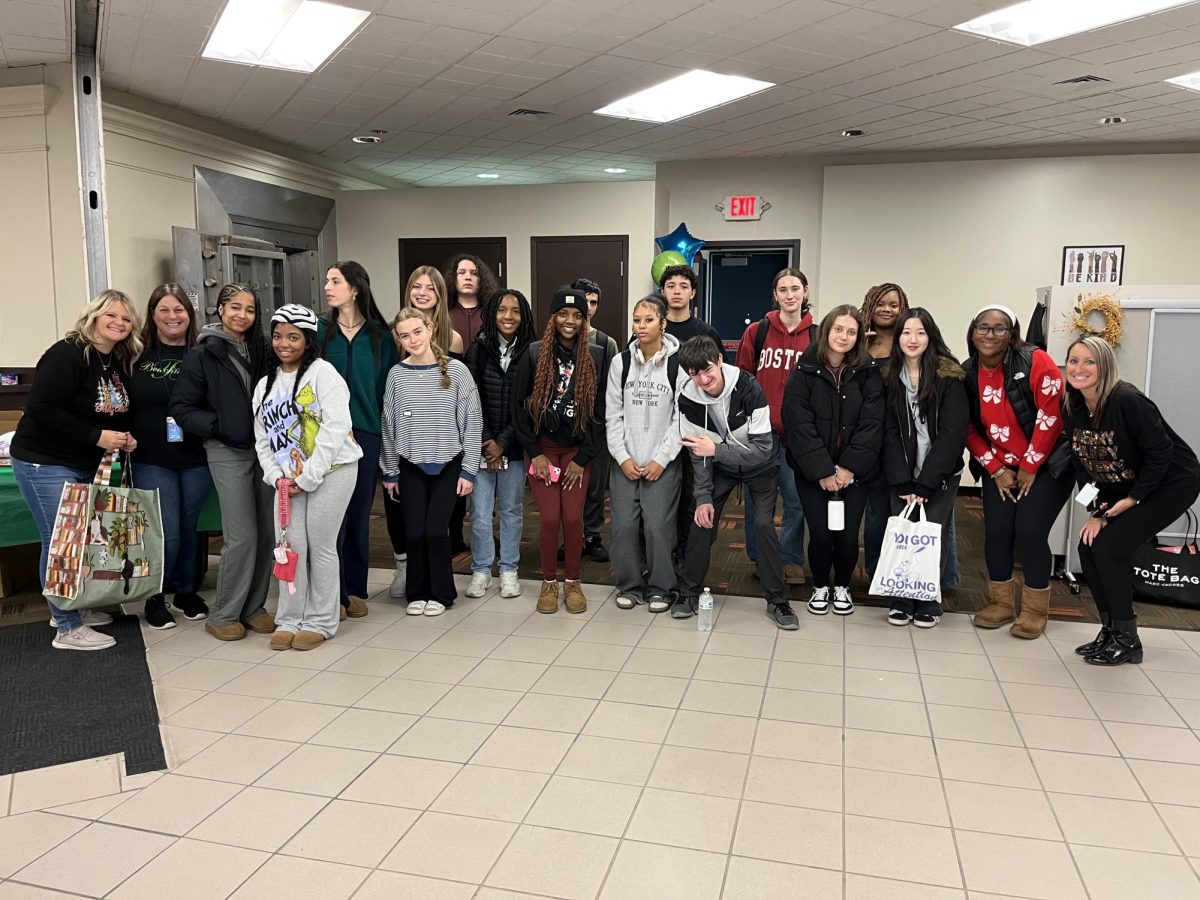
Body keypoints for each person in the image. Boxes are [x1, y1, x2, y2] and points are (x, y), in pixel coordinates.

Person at [11, 290, 141, 650]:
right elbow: (42, 408)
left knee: (78, 541)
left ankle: (70, 608)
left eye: (126, 319)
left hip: (82, 462)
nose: (118, 322)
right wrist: (96, 436)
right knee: (60, 543)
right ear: (94, 316)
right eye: (110, 315)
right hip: (45, 461)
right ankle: (67, 627)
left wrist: (123, 437)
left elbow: (111, 410)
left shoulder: (113, 359)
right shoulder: (67, 353)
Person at [1064, 336, 1200, 665]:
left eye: (1089, 362)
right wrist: (1095, 512)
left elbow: (1161, 452)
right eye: (1073, 361)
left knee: (1111, 547)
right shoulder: (1073, 404)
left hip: (1171, 484)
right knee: (1087, 545)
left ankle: (1128, 639)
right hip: (1122, 488)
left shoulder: (1126, 400)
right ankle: (1110, 629)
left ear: (1105, 365)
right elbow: (1082, 463)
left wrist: (1135, 499)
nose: (1079, 369)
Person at [171, 283, 276, 642]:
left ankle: (254, 607)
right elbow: (181, 409)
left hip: (266, 450)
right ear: (219, 310)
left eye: (249, 309)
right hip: (226, 449)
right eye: (234, 307)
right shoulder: (204, 353)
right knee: (241, 534)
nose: (242, 315)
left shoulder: (263, 348)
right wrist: (219, 427)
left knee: (266, 532)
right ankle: (225, 613)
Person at [253, 305, 362, 650]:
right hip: (287, 482)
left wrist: (309, 477)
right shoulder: (264, 385)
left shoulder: (324, 374)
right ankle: (289, 618)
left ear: (308, 341)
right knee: (289, 548)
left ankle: (321, 621)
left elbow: (335, 428)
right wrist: (274, 476)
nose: (284, 343)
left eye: (293, 337)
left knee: (320, 545)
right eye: (278, 336)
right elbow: (262, 436)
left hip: (333, 471)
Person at [964, 305, 1072, 640]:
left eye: (999, 328)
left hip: (1048, 463)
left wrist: (1029, 466)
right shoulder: (967, 372)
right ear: (972, 332)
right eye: (983, 327)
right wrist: (995, 469)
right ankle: (1000, 604)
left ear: (1013, 333)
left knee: (1028, 532)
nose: (990, 334)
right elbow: (966, 427)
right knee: (997, 532)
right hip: (1000, 466)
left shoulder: (1034, 360)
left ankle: (1035, 610)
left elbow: (1051, 415)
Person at [676, 335, 795, 628]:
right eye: (694, 374)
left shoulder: (749, 388)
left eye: (707, 371)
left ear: (719, 360)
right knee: (701, 519)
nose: (703, 380)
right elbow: (698, 454)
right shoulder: (688, 398)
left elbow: (763, 450)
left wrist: (716, 449)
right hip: (721, 468)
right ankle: (689, 591)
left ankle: (778, 600)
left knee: (763, 525)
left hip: (761, 466)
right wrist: (703, 497)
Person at [782, 305, 883, 617]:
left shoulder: (869, 372)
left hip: (856, 473)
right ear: (826, 331)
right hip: (813, 473)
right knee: (822, 534)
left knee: (848, 535)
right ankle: (820, 587)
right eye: (839, 329)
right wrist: (824, 471)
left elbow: (872, 423)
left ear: (859, 337)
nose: (844, 336)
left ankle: (842, 586)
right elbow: (798, 424)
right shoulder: (804, 370)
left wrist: (848, 468)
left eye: (851, 331)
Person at [380, 307, 482, 617]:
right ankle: (418, 592)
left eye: (417, 332)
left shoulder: (456, 371)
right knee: (414, 532)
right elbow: (388, 424)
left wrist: (469, 469)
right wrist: (390, 471)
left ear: (429, 329)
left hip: (448, 464)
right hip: (409, 465)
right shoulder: (397, 374)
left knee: (437, 531)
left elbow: (473, 422)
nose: (412, 339)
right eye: (404, 335)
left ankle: (442, 593)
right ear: (399, 339)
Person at [513, 286, 608, 615]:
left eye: (577, 316)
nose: (570, 321)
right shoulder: (534, 353)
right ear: (553, 317)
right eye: (563, 314)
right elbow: (517, 409)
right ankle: (549, 582)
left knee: (572, 518)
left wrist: (584, 459)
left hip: (575, 454)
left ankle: (573, 581)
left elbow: (600, 414)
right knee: (551, 518)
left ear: (585, 320)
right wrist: (534, 452)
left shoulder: (596, 356)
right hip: (542, 451)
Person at [128, 283, 211, 629]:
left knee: (189, 526)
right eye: (164, 309)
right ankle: (154, 596)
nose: (172, 316)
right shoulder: (132, 356)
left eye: (179, 310)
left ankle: (186, 591)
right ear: (152, 315)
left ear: (189, 316)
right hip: (150, 456)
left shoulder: (204, 354)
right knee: (165, 530)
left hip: (196, 456)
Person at [317, 261, 397, 620]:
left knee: (357, 514)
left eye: (335, 281)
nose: (328, 287)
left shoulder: (381, 336)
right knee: (327, 514)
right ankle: (327, 590)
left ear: (355, 289)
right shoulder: (320, 332)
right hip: (323, 434)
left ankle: (353, 590)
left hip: (365, 433)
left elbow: (386, 393)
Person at [880, 308, 968, 627]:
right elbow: (887, 431)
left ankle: (928, 600)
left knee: (932, 535)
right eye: (906, 332)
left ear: (930, 336)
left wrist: (926, 483)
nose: (912, 339)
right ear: (897, 337)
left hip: (940, 473)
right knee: (904, 535)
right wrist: (903, 482)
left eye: (919, 332)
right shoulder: (887, 374)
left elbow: (953, 434)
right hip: (901, 473)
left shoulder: (950, 375)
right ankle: (902, 599)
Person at [736, 267, 815, 587]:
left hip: (799, 434)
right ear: (776, 295)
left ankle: (791, 559)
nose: (790, 295)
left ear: (805, 292)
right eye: (783, 289)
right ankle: (761, 556)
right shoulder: (758, 330)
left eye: (795, 288)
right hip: (761, 433)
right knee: (759, 500)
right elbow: (742, 380)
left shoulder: (817, 335)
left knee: (796, 499)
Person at [606, 295, 682, 613]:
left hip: (662, 463)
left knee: (657, 528)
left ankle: (662, 587)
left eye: (648, 320)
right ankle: (630, 584)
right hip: (625, 461)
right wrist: (622, 456)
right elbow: (613, 415)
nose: (641, 326)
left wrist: (661, 459)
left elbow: (682, 418)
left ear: (663, 324)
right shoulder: (620, 363)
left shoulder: (678, 363)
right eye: (637, 320)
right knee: (623, 526)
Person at [463, 288, 537, 600]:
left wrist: (503, 442)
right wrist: (485, 440)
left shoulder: (533, 351)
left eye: (515, 311)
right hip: (480, 445)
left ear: (524, 316)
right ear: (492, 314)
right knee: (479, 513)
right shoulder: (478, 349)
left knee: (511, 510)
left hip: (514, 447)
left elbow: (530, 403)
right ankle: (481, 569)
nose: (508, 317)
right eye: (502, 310)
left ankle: (508, 569)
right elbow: (469, 398)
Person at [659, 264, 720, 572]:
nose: (678, 290)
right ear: (663, 291)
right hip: (659, 425)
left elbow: (717, 381)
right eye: (671, 285)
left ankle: (688, 556)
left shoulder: (706, 333)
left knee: (693, 493)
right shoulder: (654, 330)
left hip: (697, 425)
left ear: (693, 293)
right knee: (663, 495)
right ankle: (660, 555)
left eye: (684, 285)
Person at [412, 265, 469, 555]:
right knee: (411, 512)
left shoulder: (453, 338)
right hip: (409, 435)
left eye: (430, 288)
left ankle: (449, 554)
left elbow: (459, 393)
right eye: (417, 287)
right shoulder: (396, 334)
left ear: (440, 294)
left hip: (446, 433)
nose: (422, 293)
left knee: (447, 510)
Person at [861, 283, 911, 580]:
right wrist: (859, 350)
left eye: (894, 304)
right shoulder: (859, 342)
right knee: (875, 511)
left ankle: (910, 572)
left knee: (904, 510)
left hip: (904, 439)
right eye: (881, 303)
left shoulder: (910, 342)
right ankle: (876, 569)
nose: (887, 309)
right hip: (866, 438)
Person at [574, 277, 619, 564]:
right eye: (583, 301)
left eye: (593, 303)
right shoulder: (557, 339)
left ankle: (592, 536)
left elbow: (613, 389)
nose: (588, 308)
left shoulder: (605, 343)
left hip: (597, 426)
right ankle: (573, 536)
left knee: (595, 486)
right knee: (569, 486)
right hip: (565, 428)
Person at [446, 254, 500, 348]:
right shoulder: (444, 312)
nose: (468, 277)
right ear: (453, 278)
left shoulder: (493, 313)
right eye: (462, 272)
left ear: (482, 279)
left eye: (474, 273)